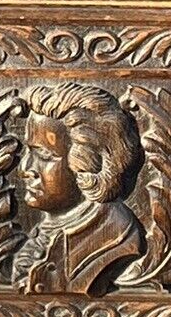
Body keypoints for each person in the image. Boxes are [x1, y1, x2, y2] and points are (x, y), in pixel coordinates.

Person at [10, 80, 145, 295]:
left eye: (43, 155)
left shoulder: (115, 237)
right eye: (28, 152)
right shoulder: (48, 232)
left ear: (89, 163)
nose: (25, 168)